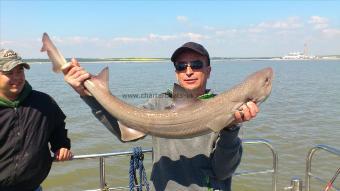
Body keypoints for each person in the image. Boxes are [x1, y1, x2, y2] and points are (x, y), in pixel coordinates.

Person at [64, 42, 259, 191]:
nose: (188, 71)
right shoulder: (160, 104)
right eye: (181, 66)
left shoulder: (226, 107)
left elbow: (224, 171)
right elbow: (125, 131)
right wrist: (87, 94)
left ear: (208, 71)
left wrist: (230, 129)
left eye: (196, 64)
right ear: (176, 73)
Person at [0, 49, 73, 191]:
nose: (17, 77)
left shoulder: (44, 102)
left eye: (20, 71)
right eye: (9, 73)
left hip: (33, 187)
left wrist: (62, 146)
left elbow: (58, 127)